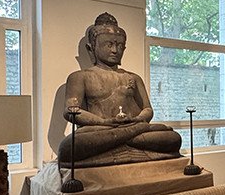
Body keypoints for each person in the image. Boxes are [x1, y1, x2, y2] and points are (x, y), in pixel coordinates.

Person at [58, 13, 182, 166]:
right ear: (91, 48)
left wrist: (137, 120)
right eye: (108, 45)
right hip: (100, 131)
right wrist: (104, 122)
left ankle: (115, 148)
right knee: (69, 147)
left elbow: (148, 109)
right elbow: (71, 111)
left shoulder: (134, 78)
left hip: (131, 127)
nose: (115, 50)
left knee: (172, 138)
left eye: (119, 46)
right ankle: (128, 146)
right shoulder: (80, 77)